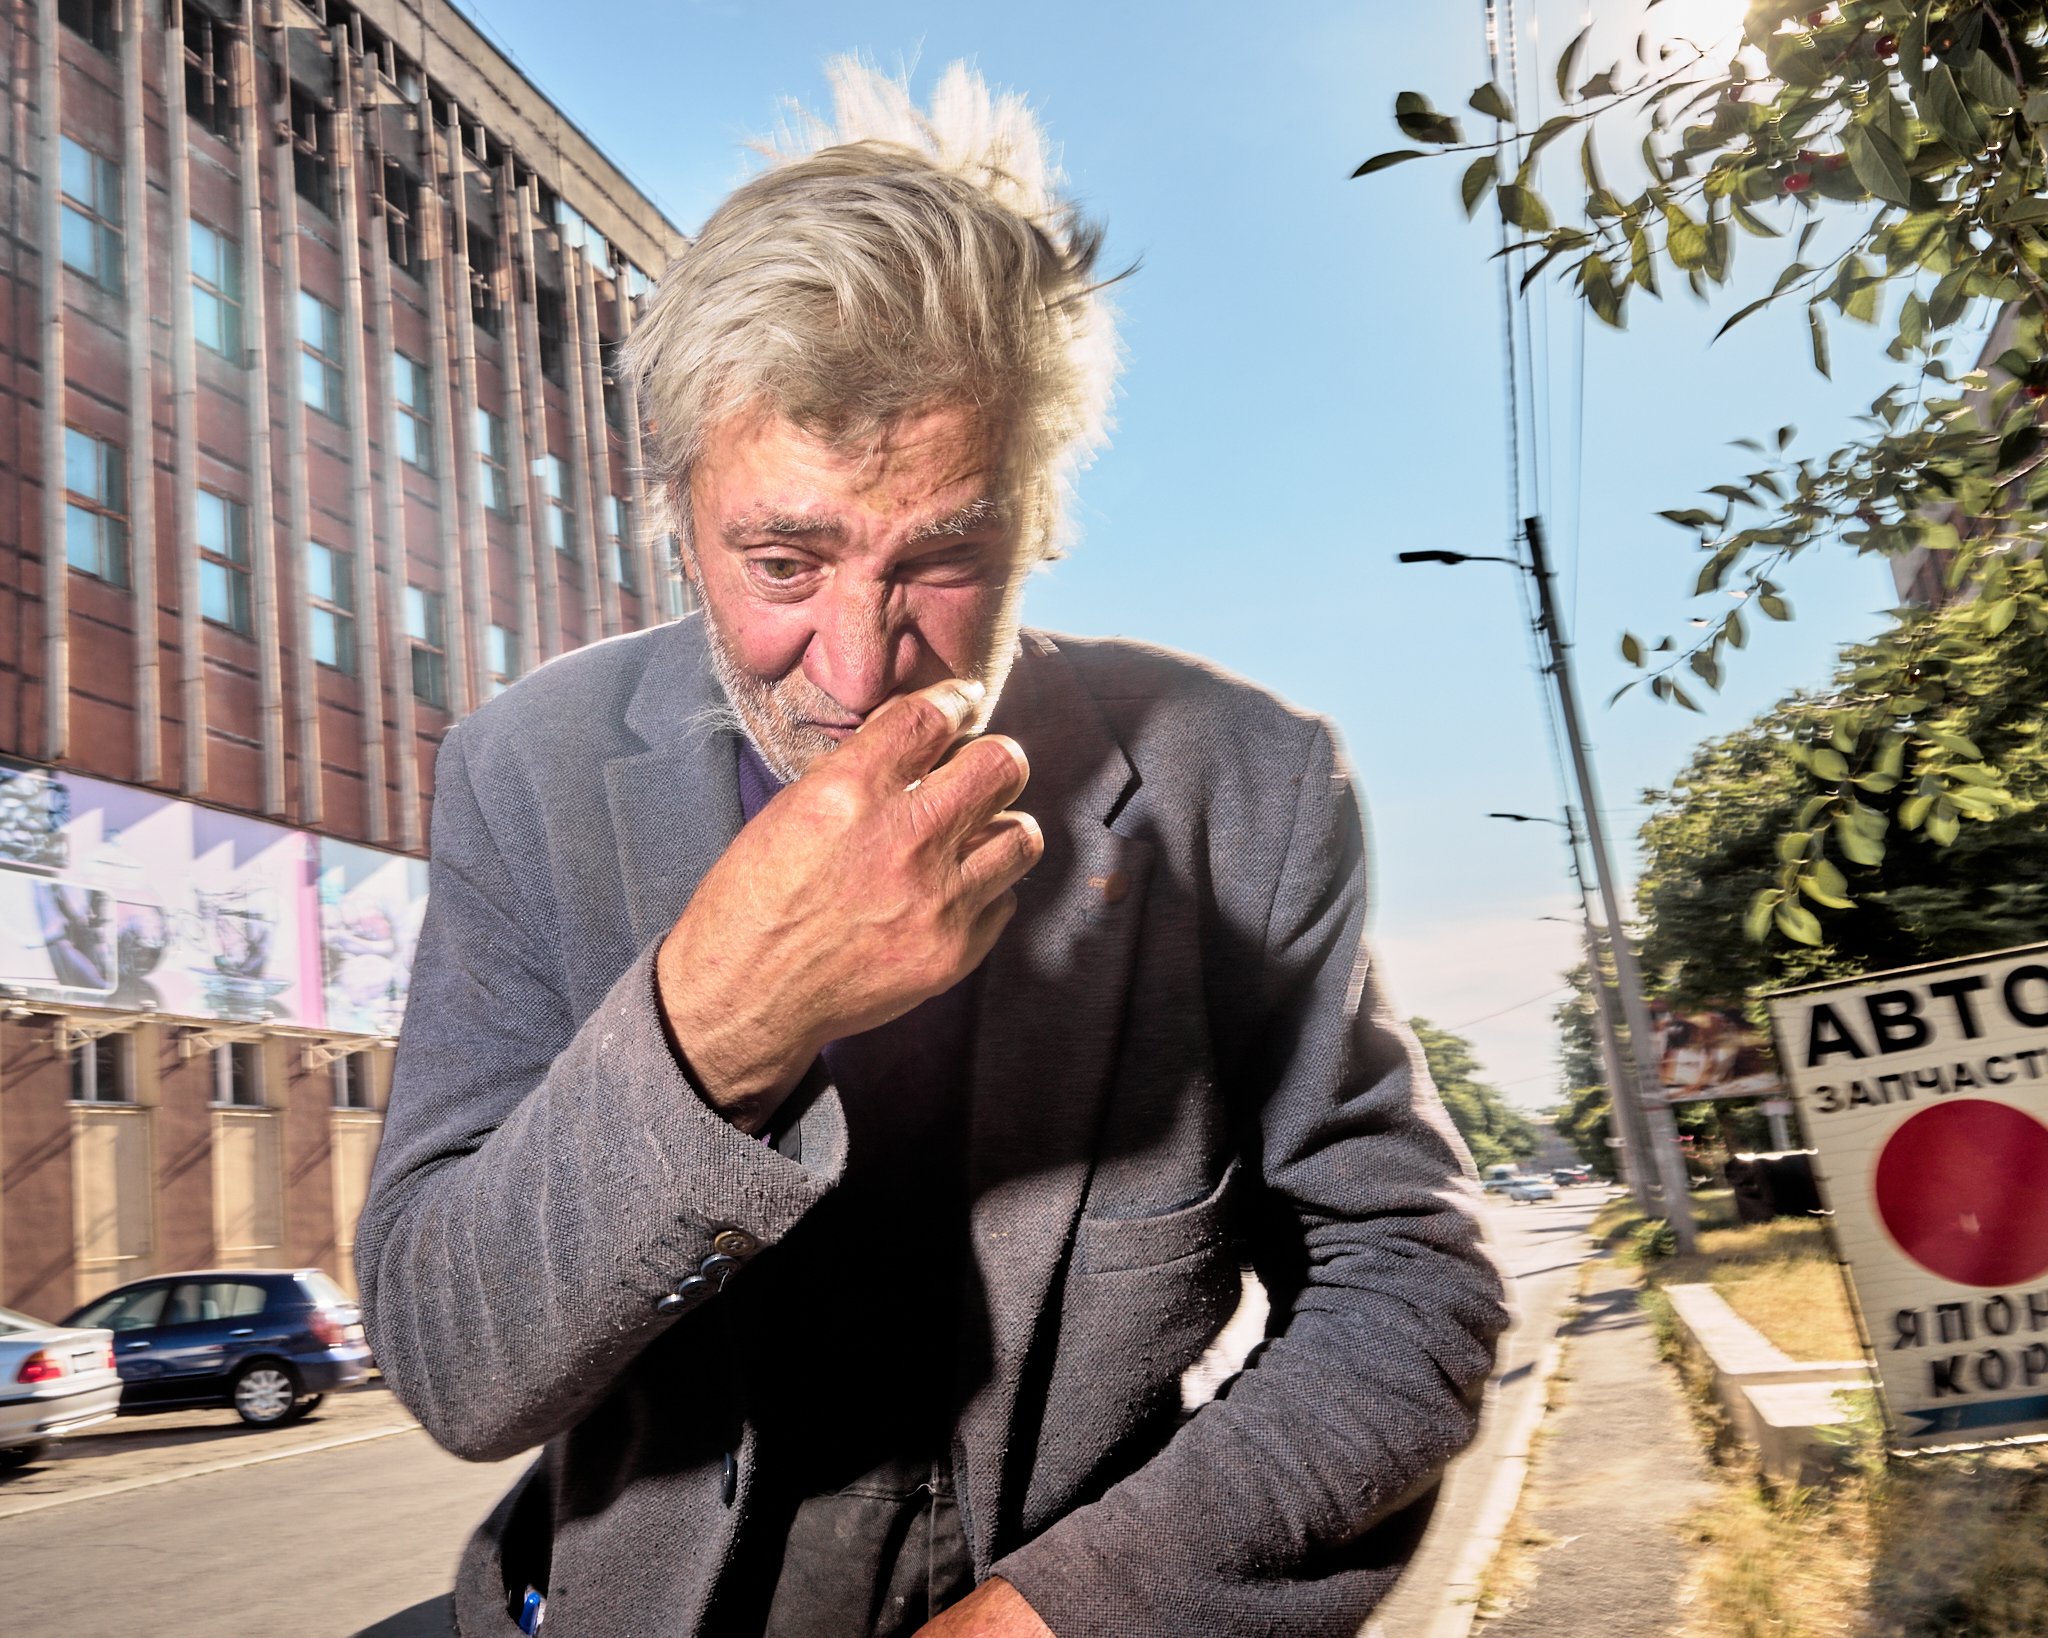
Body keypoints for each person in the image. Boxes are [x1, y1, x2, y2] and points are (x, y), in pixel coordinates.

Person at [357, 60, 1508, 1638]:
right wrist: (722, 1019)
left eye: (944, 558)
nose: (854, 664)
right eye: (783, 558)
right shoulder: (524, 772)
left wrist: (1062, 1615)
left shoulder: (1250, 789)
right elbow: (449, 1354)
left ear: (1036, 517)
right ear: (676, 515)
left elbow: (1410, 1288)